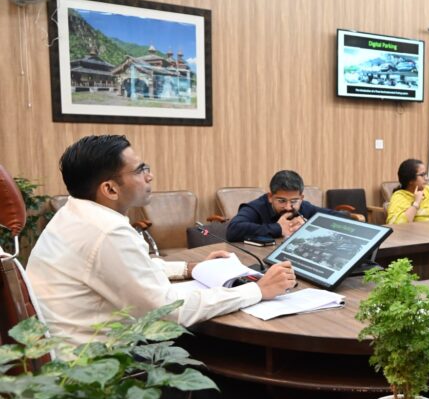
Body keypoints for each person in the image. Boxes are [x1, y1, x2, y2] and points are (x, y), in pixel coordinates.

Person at [27, 135, 296, 347]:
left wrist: (189, 268)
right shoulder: (107, 231)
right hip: (95, 367)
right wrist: (257, 290)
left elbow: (126, 269)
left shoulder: (75, 214)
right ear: (110, 189)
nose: (149, 176)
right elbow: (169, 313)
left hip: (62, 349)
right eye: (139, 170)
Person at [226, 170, 336, 241]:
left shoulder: (304, 206)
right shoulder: (256, 207)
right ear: (270, 197)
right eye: (282, 201)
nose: (288, 207)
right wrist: (278, 228)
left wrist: (309, 226)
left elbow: (335, 217)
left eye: (294, 201)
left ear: (301, 198)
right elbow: (233, 230)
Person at [386, 159, 429, 224]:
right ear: (410, 180)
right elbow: (396, 224)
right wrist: (416, 203)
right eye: (422, 175)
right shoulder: (399, 197)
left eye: (426, 174)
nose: (426, 178)